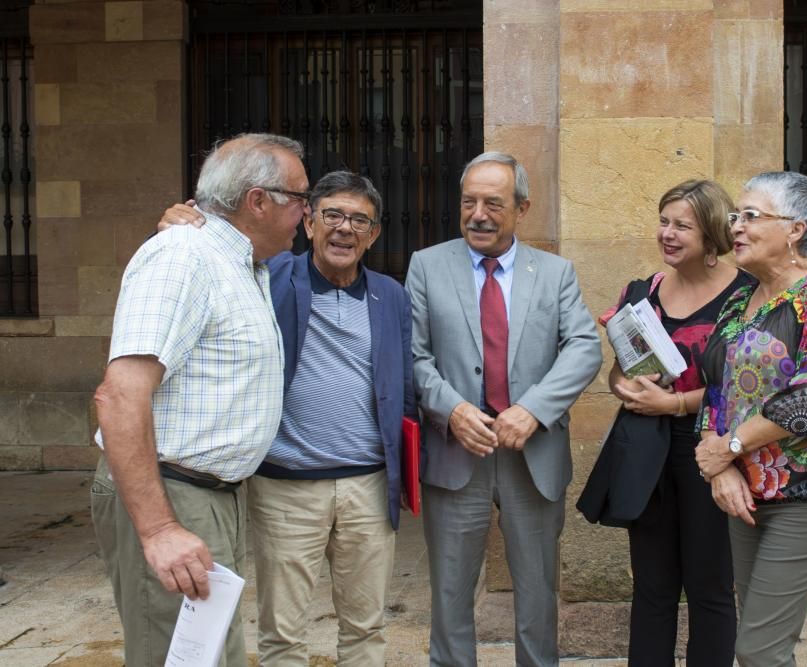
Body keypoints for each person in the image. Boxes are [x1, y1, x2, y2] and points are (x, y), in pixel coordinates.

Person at [157, 170, 416, 666]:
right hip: (286, 487)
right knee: (283, 631)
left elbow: (403, 387)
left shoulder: (391, 295)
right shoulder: (268, 276)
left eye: (359, 220)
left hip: (367, 486)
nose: (345, 229)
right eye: (332, 215)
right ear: (309, 223)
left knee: (367, 626)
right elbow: (209, 260)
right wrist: (180, 224)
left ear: (375, 234)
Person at [91, 133, 309, 666]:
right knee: (181, 658)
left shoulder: (243, 263)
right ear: (258, 201)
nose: (309, 211)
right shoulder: (183, 257)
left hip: (213, 495)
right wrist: (161, 529)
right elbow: (120, 395)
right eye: (301, 198)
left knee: (212, 655)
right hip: (174, 491)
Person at [405, 151, 603, 666]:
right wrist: (450, 409)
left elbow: (584, 347)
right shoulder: (426, 265)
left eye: (493, 203)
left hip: (531, 454)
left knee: (537, 592)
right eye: (469, 202)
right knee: (450, 593)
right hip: (455, 453)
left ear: (522, 207)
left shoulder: (555, 272)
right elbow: (413, 354)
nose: (478, 215)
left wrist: (534, 409)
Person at [694, 171, 807, 667]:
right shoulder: (739, 295)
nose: (736, 227)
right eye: (735, 216)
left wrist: (727, 449)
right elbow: (715, 385)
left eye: (751, 216)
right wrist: (720, 466)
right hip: (744, 492)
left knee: (757, 649)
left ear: (794, 228)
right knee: (761, 641)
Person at [583, 180, 750, 665]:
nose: (668, 234)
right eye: (664, 222)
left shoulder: (746, 298)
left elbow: (746, 390)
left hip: (712, 452)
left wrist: (673, 405)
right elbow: (619, 371)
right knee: (652, 588)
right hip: (646, 450)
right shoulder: (641, 293)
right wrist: (627, 387)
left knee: (710, 588)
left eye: (682, 225)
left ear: (713, 234)